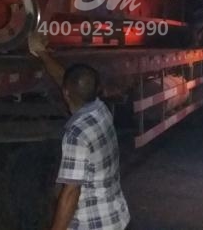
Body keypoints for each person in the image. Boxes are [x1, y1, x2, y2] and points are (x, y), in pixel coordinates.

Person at [28, 32, 131, 230]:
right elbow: (67, 82)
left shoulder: (76, 134)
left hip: (93, 224)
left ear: (66, 93)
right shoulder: (102, 110)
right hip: (115, 217)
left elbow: (71, 193)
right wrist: (42, 53)